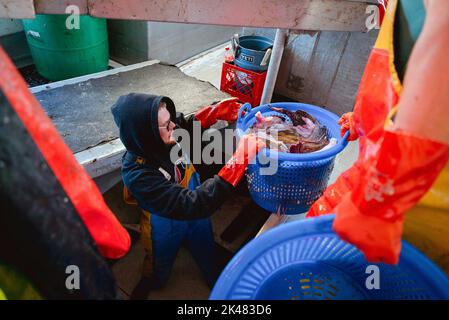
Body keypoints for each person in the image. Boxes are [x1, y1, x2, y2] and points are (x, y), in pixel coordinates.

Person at [307, 0, 449, 267]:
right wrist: (365, 119)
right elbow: (403, 69)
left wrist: (381, 204)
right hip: (389, 180)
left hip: (416, 207)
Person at [111, 93, 264, 298]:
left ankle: (214, 277)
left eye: (170, 120)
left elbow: (184, 124)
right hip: (163, 223)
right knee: (159, 260)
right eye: (166, 126)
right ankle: (155, 280)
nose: (173, 127)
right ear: (146, 135)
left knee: (205, 246)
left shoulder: (170, 130)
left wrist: (213, 113)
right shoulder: (137, 174)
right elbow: (192, 205)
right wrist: (238, 161)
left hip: (197, 211)